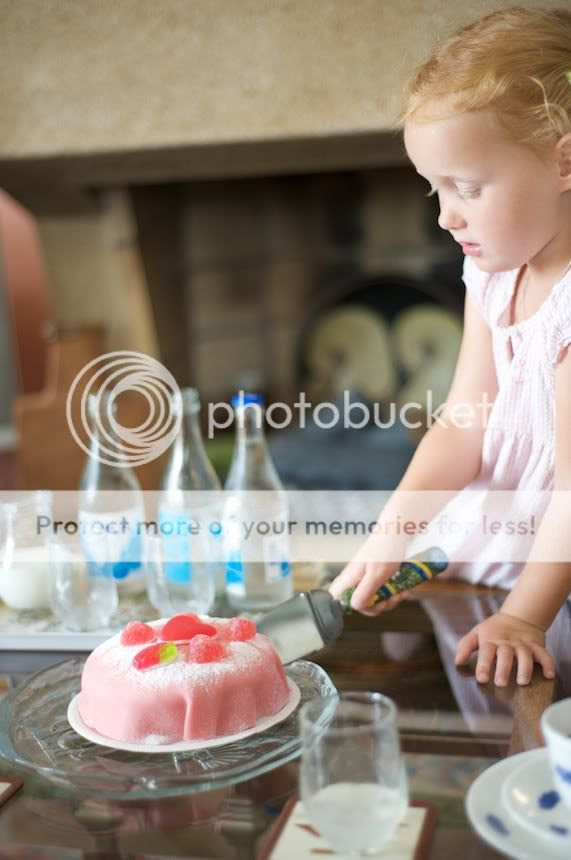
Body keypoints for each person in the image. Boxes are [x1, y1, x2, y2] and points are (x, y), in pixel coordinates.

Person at [329, 7, 571, 687]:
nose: (445, 215)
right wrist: (391, 535)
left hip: (551, 575)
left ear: (565, 160)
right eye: (434, 188)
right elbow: (462, 425)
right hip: (495, 544)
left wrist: (523, 617)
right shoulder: (491, 274)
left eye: (466, 187)